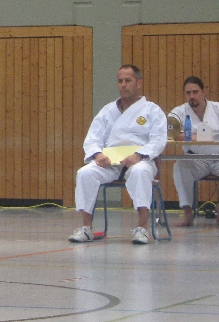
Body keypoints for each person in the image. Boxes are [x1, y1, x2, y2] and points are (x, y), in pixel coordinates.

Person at [69, 65, 168, 245]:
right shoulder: (107, 111)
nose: (123, 85)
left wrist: (139, 155)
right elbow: (92, 138)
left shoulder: (152, 110)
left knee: (140, 172)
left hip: (140, 161)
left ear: (139, 83)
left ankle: (142, 228)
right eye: (120, 81)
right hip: (110, 162)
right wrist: (98, 155)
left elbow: (159, 140)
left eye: (128, 80)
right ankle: (86, 228)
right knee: (84, 173)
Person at [168, 76, 219, 226]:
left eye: (195, 92)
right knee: (180, 167)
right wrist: (196, 137)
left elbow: (180, 135)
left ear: (203, 92)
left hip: (217, 157)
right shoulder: (179, 111)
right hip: (195, 159)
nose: (192, 96)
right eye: (188, 93)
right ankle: (187, 213)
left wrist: (188, 136)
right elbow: (171, 131)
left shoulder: (216, 108)